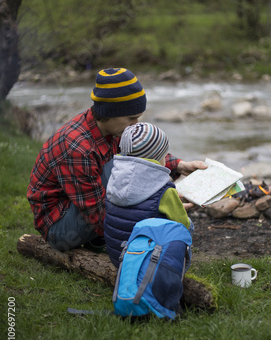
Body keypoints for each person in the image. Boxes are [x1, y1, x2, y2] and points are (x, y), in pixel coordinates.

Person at [27, 67, 206, 252]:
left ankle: (98, 240)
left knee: (126, 165)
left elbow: (141, 150)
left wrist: (179, 165)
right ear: (109, 112)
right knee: (121, 167)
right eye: (131, 118)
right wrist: (159, 214)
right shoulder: (78, 148)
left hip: (81, 208)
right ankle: (107, 240)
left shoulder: (113, 128)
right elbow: (96, 215)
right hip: (59, 227)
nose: (135, 125)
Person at [104, 122, 194, 266]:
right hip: (148, 262)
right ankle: (180, 267)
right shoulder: (165, 190)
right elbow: (182, 223)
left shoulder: (114, 177)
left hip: (118, 257)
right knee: (189, 226)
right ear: (158, 157)